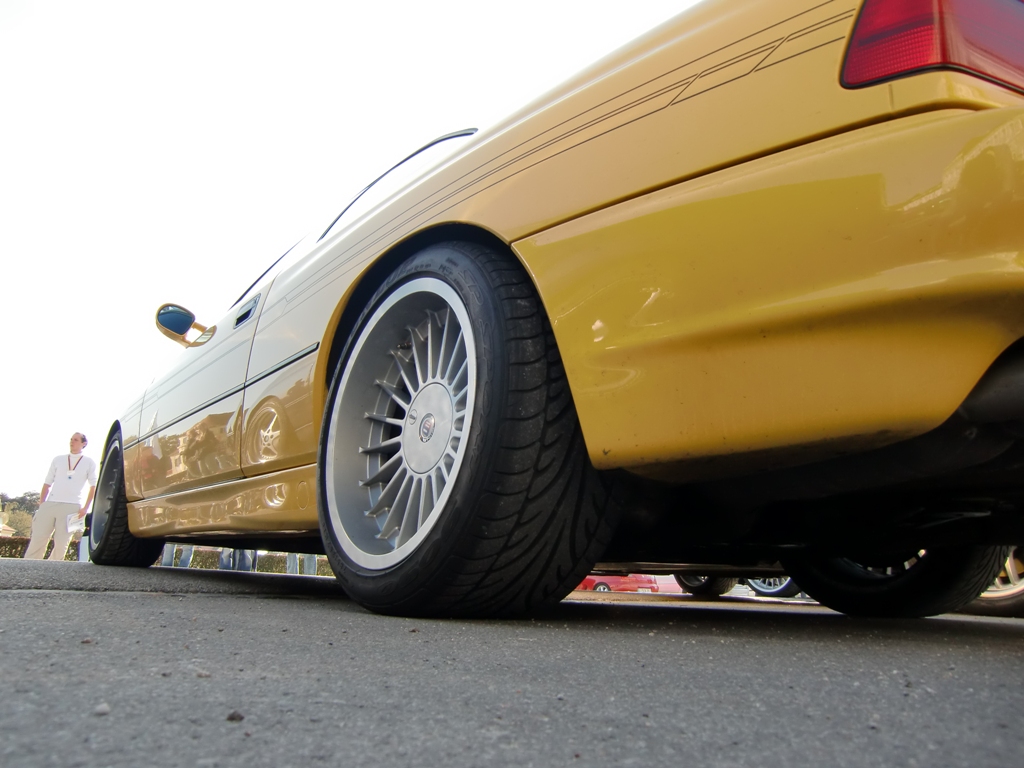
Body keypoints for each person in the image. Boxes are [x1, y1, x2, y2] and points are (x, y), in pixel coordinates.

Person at [24, 433, 97, 561]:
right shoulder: (58, 459)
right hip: (50, 504)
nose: (72, 442)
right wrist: (42, 503)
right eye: (71, 439)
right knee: (38, 538)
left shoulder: (89, 462)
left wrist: (85, 508)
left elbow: (93, 486)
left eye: (76, 440)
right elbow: (47, 482)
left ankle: (53, 569)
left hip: (73, 507)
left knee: (62, 543)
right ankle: (29, 565)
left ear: (83, 443)